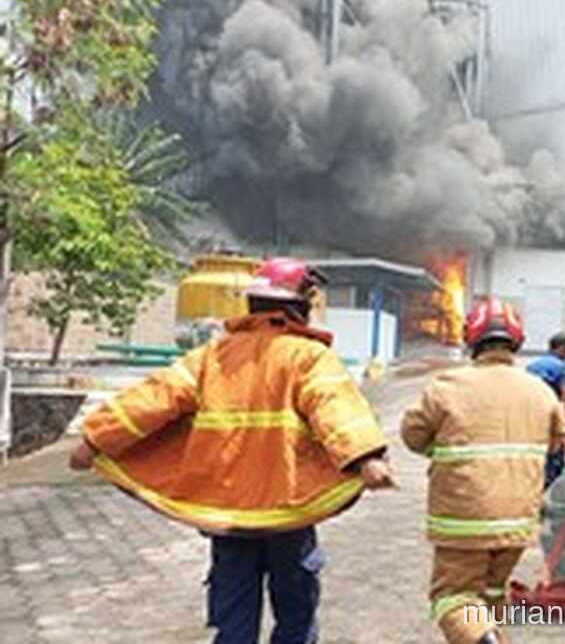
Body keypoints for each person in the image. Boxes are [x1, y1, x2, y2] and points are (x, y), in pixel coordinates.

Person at [68, 257, 394, 644]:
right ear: (300, 304)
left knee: (234, 611)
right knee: (295, 609)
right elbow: (333, 406)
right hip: (286, 508)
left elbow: (154, 397)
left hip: (228, 510)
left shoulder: (212, 357)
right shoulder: (307, 357)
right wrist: (364, 458)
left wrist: (95, 439)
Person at [402, 297, 565, 644]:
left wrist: (447, 449)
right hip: (517, 524)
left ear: (471, 339)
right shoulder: (541, 392)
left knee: (454, 598)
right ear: (517, 341)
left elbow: (412, 436)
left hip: (463, 521)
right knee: (491, 596)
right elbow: (555, 445)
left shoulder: (447, 386)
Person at [526, 332, 565, 489]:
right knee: (556, 460)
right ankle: (540, 489)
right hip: (548, 418)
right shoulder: (559, 367)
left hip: (528, 416)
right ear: (562, 349)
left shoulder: (532, 366)